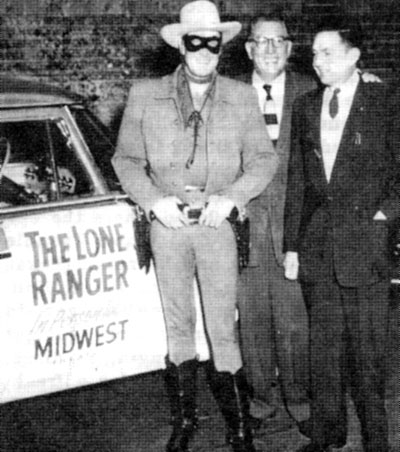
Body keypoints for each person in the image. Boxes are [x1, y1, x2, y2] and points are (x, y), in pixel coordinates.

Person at [112, 2, 278, 452]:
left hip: (215, 227)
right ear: (181, 46)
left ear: (223, 47)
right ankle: (184, 423)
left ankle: (240, 427)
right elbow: (125, 160)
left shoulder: (241, 97)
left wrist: (231, 198)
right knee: (178, 324)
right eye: (195, 41)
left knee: (223, 328)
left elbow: (264, 159)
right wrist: (152, 201)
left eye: (213, 42)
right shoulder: (145, 94)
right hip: (167, 228)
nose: (204, 50)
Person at [283, 16, 399, 452]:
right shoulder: (306, 106)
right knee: (324, 353)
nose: (317, 61)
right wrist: (291, 245)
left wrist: (385, 215)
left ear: (354, 56)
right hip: (318, 249)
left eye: (327, 52)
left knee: (367, 357)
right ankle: (329, 433)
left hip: (367, 250)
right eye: (313, 53)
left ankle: (377, 441)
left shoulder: (385, 101)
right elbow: (299, 181)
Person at [237, 13, 315, 429]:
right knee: (252, 325)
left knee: (295, 323)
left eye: (277, 41)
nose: (269, 49)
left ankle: (301, 402)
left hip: (294, 231)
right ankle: (261, 403)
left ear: (289, 48)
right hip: (244, 230)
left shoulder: (311, 91)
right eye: (261, 42)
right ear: (249, 48)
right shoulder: (227, 95)